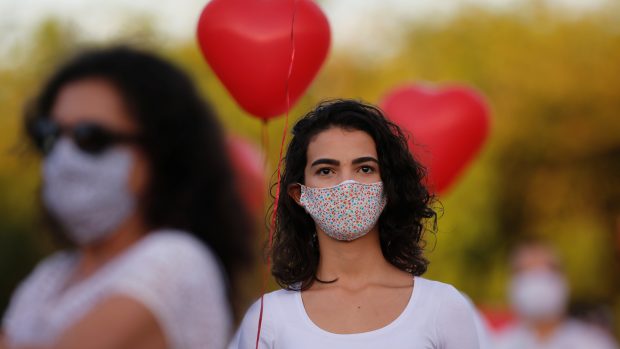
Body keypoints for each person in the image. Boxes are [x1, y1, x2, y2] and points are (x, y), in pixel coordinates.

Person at [0, 46, 254, 349]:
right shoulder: (51, 277)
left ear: (160, 152)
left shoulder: (175, 262)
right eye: (49, 135)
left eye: (90, 138)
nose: (63, 157)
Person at [230, 99, 481, 348]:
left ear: (388, 187)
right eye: (326, 171)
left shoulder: (442, 308)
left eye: (364, 169)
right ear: (299, 194)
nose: (347, 185)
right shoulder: (268, 319)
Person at [494, 241, 618, 349]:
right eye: (525, 270)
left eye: (547, 268)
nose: (537, 278)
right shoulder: (495, 344)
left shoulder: (595, 344)